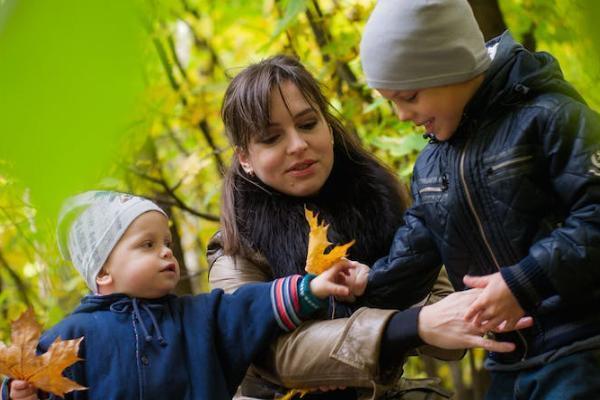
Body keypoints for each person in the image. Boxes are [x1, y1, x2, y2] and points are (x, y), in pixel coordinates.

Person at [209, 55, 530, 399]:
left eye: (307, 124)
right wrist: (413, 326)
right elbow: (275, 357)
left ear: (328, 128)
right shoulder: (235, 246)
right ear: (245, 158)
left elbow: (445, 314)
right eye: (271, 138)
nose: (298, 145)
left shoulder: (385, 203)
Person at [359, 0, 600, 398]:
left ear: (450, 66)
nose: (401, 114)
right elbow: (415, 250)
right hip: (506, 363)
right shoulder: (431, 165)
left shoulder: (549, 117)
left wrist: (524, 282)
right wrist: (368, 282)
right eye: (391, 101)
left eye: (410, 96)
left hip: (580, 348)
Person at [2, 191, 361, 400]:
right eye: (147, 245)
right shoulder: (73, 336)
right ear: (103, 272)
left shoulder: (200, 316)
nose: (165, 252)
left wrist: (309, 287)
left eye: (167, 243)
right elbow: (36, 382)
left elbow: (252, 307)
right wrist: (18, 392)